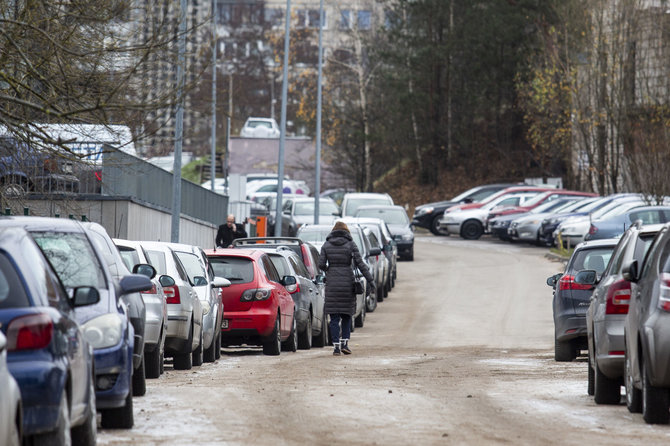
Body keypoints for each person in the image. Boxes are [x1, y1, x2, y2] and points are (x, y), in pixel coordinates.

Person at [318, 221, 375, 356]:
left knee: (334, 317)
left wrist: (329, 270)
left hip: (332, 284)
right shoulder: (351, 244)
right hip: (347, 284)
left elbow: (320, 264)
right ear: (346, 231)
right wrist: (370, 280)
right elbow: (360, 264)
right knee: (346, 315)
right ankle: (345, 344)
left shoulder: (326, 245)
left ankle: (336, 347)